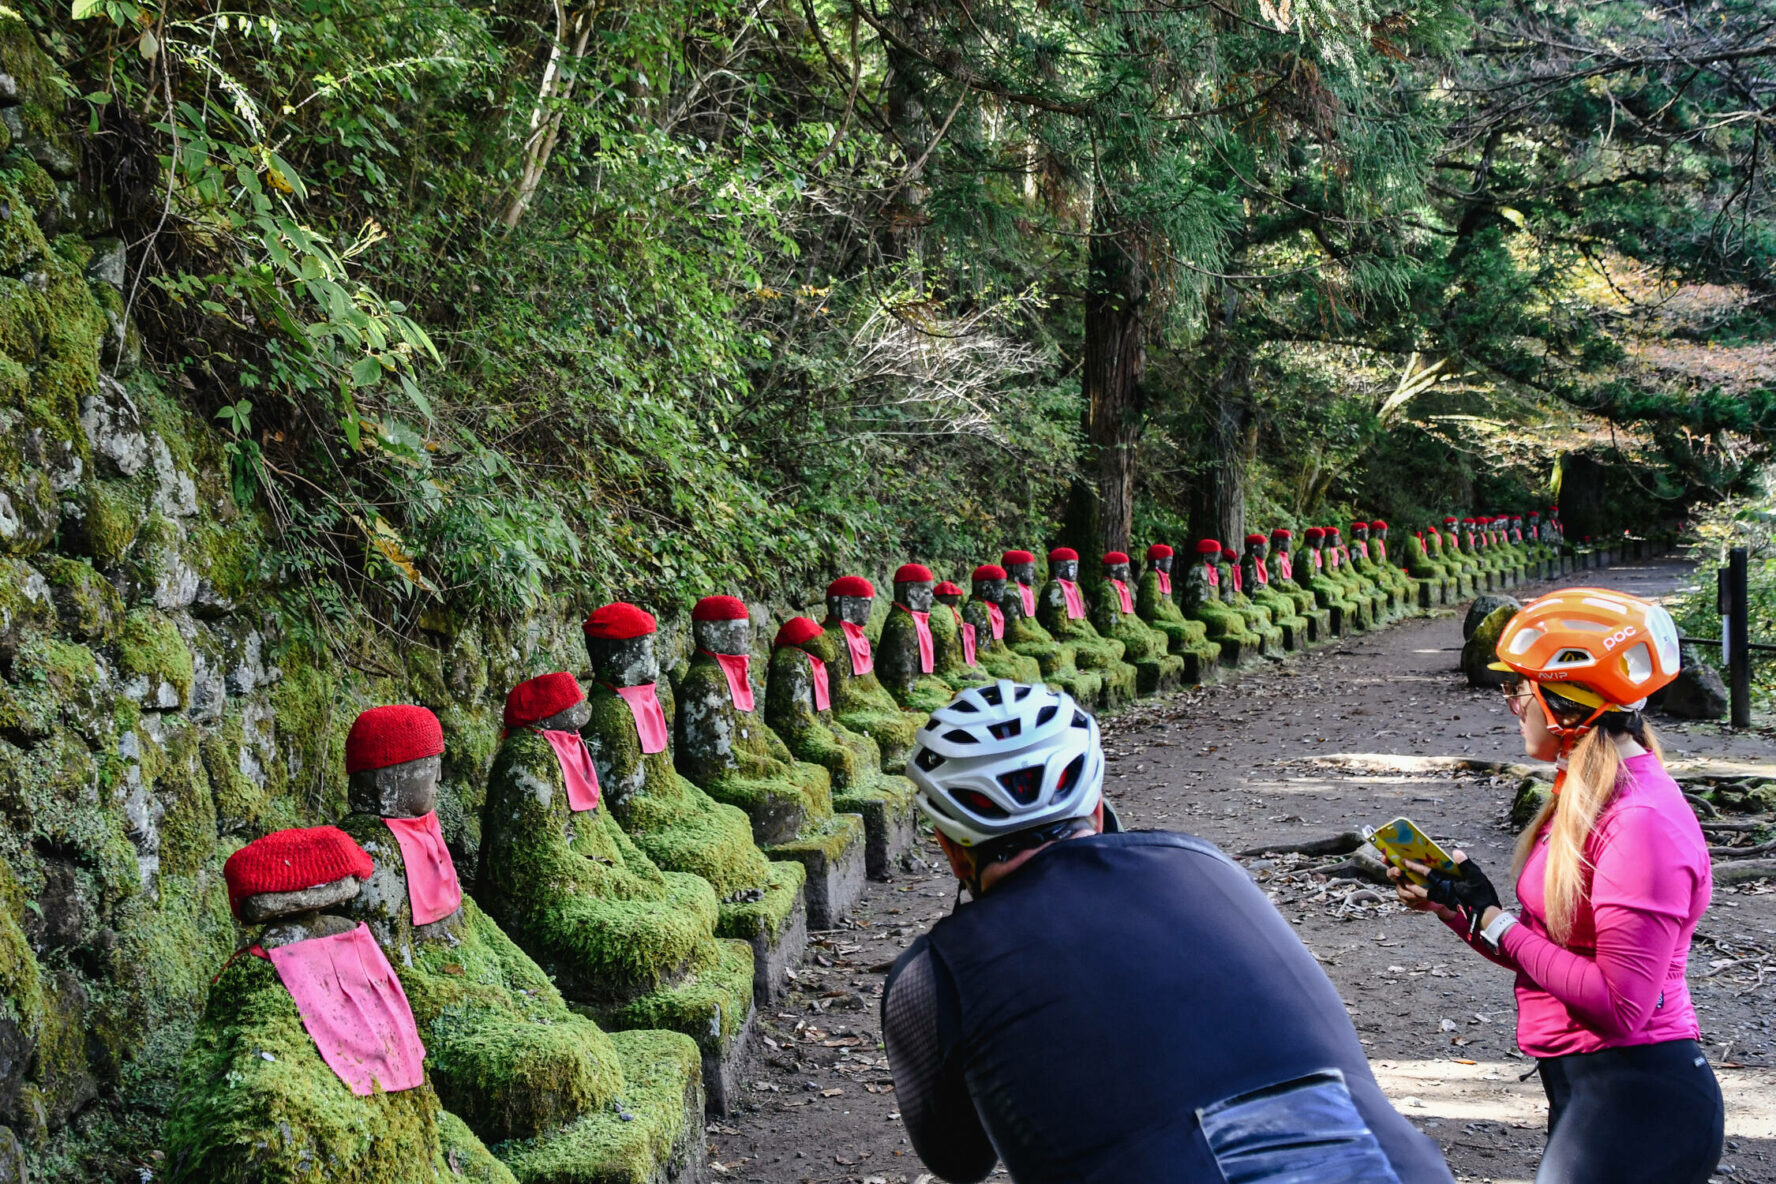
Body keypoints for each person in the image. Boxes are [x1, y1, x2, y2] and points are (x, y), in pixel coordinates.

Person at [883, 679, 1455, 1184]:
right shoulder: (1207, 866)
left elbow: (958, 1161)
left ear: (954, 852)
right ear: (1098, 807)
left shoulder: (934, 972)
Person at [1392, 587, 1723, 1184]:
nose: (1512, 704)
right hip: (1594, 1091)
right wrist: (1463, 909)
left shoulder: (1640, 824)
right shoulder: (1589, 796)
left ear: (1569, 708)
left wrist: (1496, 921)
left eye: (1520, 689)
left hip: (1638, 1098)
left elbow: (1621, 1007)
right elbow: (1554, 955)